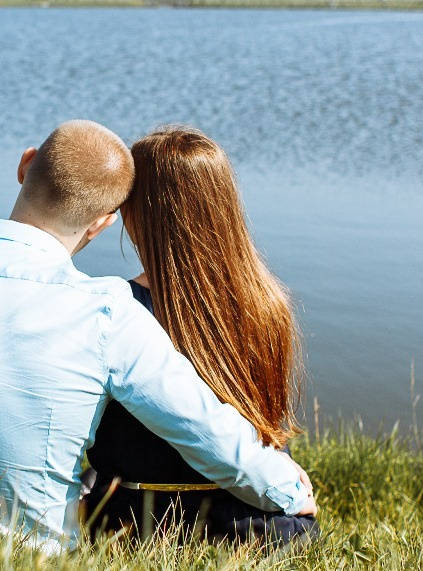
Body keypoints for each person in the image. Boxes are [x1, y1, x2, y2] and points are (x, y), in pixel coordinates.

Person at [0, 120, 316, 553]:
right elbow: (205, 429)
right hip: (35, 552)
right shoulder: (105, 312)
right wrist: (288, 490)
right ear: (103, 221)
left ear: (25, 164)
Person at [84, 126, 318, 545]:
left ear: (137, 213)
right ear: (224, 206)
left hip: (138, 522)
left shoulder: (115, 311)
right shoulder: (268, 304)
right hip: (257, 525)